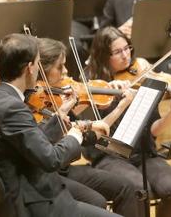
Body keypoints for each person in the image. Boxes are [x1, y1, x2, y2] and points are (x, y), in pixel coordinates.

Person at [0, 33, 118, 217]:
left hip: (30, 194)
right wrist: (75, 134)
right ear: (30, 68)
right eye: (38, 64)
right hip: (31, 205)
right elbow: (51, 159)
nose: (39, 70)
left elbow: (34, 141)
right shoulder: (12, 107)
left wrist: (59, 115)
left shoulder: (0, 98)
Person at [37, 37, 141, 217]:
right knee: (97, 201)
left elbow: (94, 135)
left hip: (66, 169)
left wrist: (118, 103)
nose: (67, 71)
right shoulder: (36, 105)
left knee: (127, 188)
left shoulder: (61, 97)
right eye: (60, 67)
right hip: (50, 173)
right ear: (42, 70)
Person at [85, 27, 171, 217]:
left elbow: (153, 131)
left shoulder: (140, 80)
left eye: (127, 48)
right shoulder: (95, 86)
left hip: (144, 154)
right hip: (110, 157)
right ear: (103, 56)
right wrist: (114, 95)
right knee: (138, 190)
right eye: (118, 52)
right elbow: (93, 137)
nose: (126, 56)